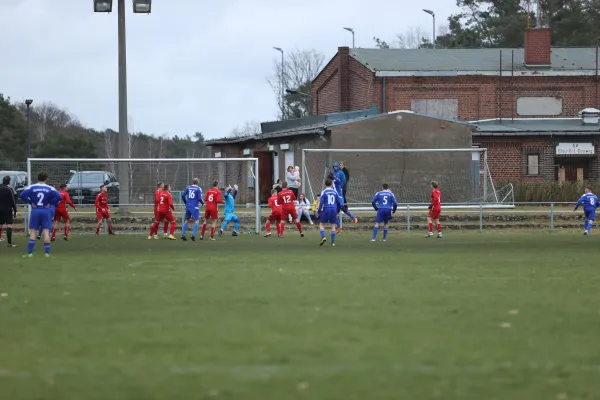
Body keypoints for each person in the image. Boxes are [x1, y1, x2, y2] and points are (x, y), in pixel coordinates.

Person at [19, 172, 62, 257]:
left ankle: (29, 253)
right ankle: (47, 253)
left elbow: (21, 195)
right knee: (46, 232)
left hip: (35, 210)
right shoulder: (50, 188)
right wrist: (50, 203)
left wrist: (31, 202)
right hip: (46, 211)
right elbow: (59, 197)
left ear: (37, 178)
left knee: (33, 232)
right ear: (46, 179)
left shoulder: (32, 187)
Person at [317, 178, 343, 247]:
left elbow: (321, 203)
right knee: (333, 225)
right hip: (334, 209)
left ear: (325, 184)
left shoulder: (324, 192)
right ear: (331, 184)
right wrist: (337, 211)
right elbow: (339, 203)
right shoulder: (334, 192)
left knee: (321, 224)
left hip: (326, 209)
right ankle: (333, 242)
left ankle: (323, 237)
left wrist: (319, 211)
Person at [0, 176, 17, 247]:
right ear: (9, 182)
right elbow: (13, 200)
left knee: (0, 225)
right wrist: (15, 210)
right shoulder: (9, 189)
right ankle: (9, 243)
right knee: (9, 225)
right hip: (8, 209)